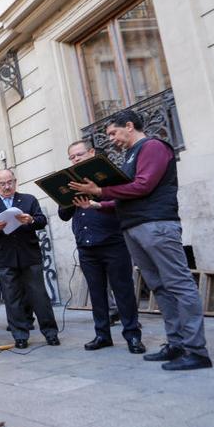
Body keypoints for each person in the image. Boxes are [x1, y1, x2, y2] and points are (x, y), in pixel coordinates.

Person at [69, 109, 211, 370]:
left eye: (113, 132)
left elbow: (143, 186)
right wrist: (98, 205)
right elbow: (127, 195)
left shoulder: (153, 147)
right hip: (135, 227)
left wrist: (100, 190)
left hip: (156, 226)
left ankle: (196, 350)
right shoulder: (130, 155)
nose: (111, 139)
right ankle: (176, 343)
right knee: (160, 287)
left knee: (179, 285)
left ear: (130, 126)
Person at [59, 141, 145, 354]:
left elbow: (123, 203)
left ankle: (133, 335)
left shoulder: (109, 176)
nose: (76, 159)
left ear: (91, 153)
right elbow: (63, 214)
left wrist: (97, 195)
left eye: (79, 154)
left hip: (113, 241)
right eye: (72, 157)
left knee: (123, 292)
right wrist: (69, 198)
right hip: (86, 245)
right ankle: (102, 335)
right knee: (97, 294)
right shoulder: (70, 182)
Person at [0, 169, 59, 348]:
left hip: (29, 255)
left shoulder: (29, 199)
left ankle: (50, 332)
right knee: (11, 297)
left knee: (39, 296)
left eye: (10, 182)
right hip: (5, 256)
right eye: (2, 183)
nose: (7, 187)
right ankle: (20, 336)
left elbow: (41, 220)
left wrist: (30, 220)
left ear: (15, 181)